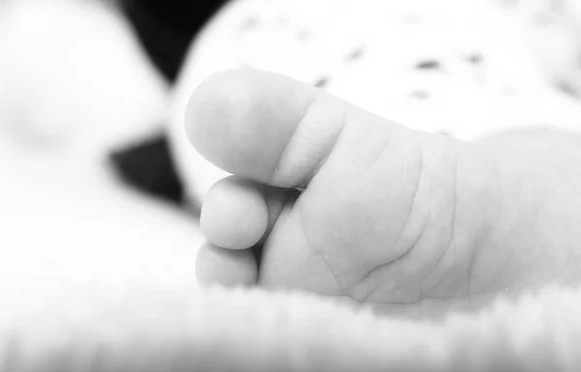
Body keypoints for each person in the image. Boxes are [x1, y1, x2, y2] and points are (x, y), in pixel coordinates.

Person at [189, 68, 581, 318]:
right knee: (516, 103)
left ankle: (529, 203)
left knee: (245, 178)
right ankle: (542, 194)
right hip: (482, 70)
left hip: (305, 67)